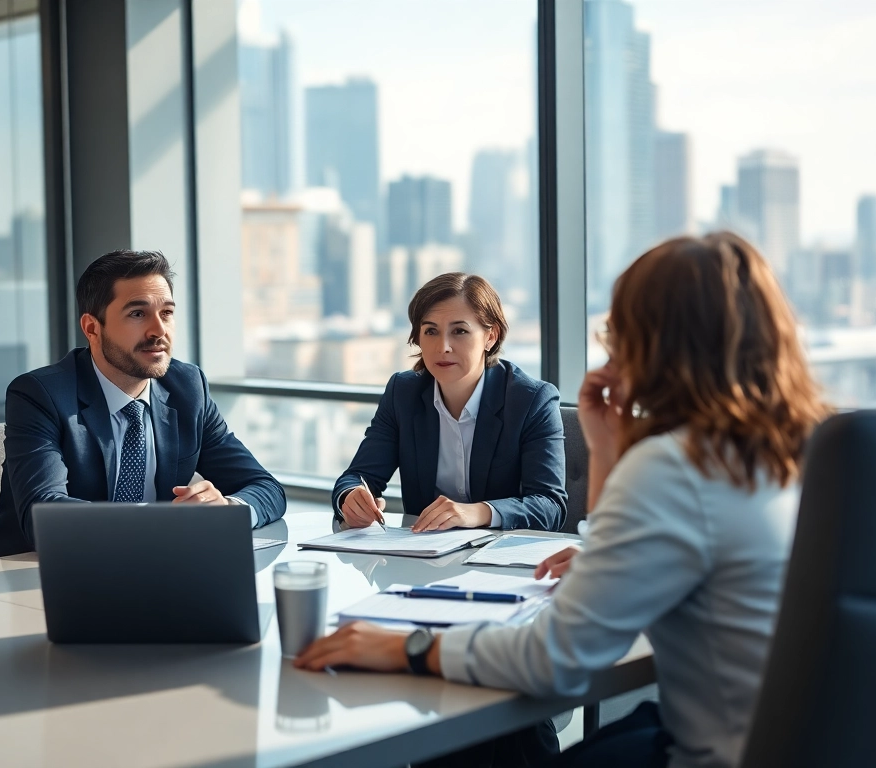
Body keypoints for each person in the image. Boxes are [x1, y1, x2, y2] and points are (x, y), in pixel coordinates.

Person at [295, 232, 832, 768]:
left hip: (718, 752)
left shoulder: (673, 465)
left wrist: (405, 648)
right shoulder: (785, 452)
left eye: (619, 329)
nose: (611, 345)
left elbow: (554, 659)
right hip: (789, 741)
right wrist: (607, 494)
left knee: (490, 736)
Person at [0, 250, 286, 559]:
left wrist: (226, 509)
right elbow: (43, 511)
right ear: (92, 328)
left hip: (147, 574)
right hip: (28, 575)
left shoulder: (187, 388)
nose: (159, 330)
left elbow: (265, 487)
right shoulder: (41, 394)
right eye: (138, 314)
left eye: (166, 313)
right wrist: (158, 524)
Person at [331, 272, 568, 533]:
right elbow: (357, 477)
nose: (443, 346)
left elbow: (550, 506)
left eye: (460, 331)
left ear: (490, 337)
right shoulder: (403, 393)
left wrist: (477, 512)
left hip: (499, 562)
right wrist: (350, 499)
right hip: (423, 560)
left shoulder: (532, 400)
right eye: (431, 331)